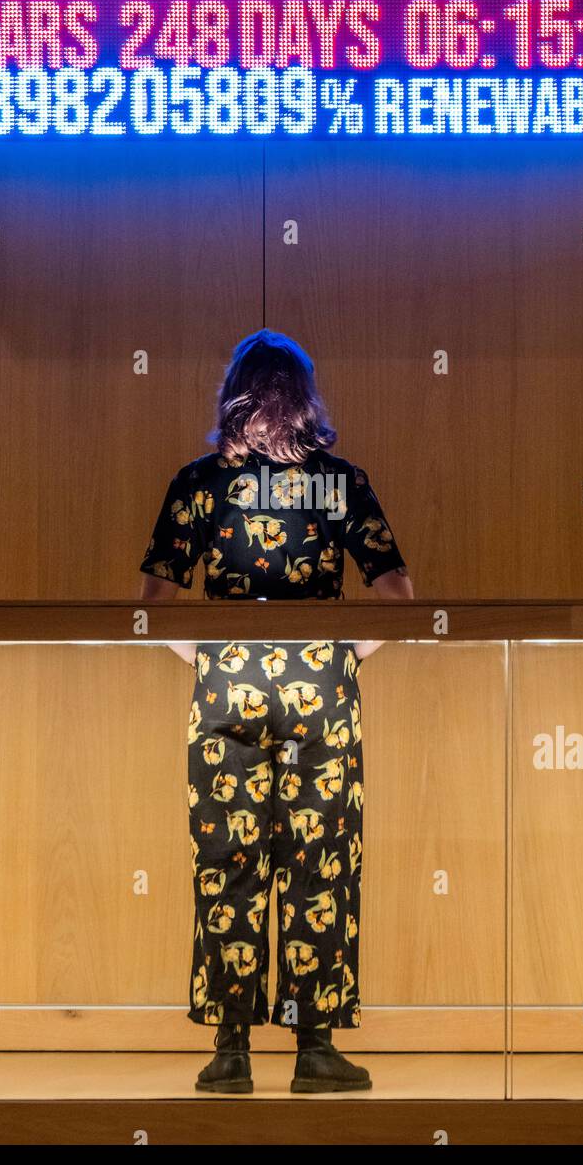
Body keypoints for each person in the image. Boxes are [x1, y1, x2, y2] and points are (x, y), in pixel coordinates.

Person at [140, 329, 412, 1094]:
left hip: (228, 683)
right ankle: (313, 1048)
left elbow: (151, 608)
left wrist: (213, 660)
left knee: (227, 860)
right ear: (305, 395)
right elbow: (399, 598)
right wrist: (338, 658)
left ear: (234, 393)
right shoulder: (340, 480)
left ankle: (229, 1054)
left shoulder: (199, 481)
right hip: (320, 688)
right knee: (319, 866)